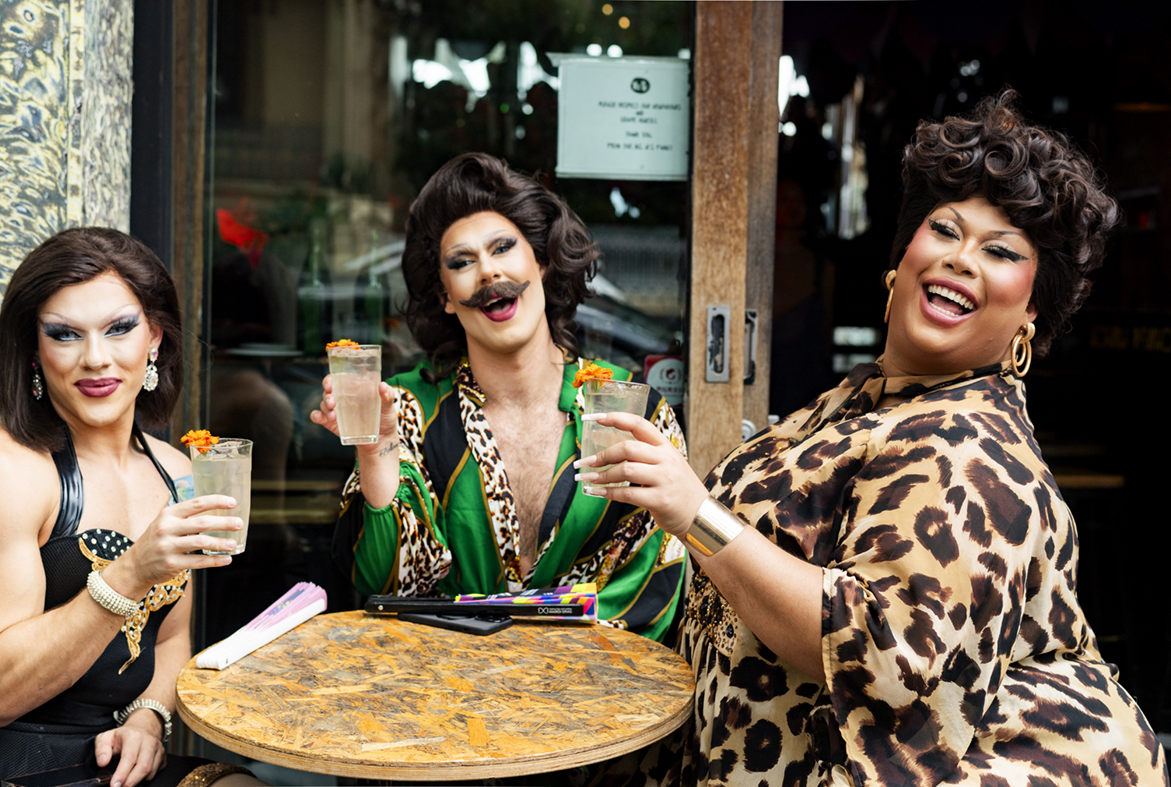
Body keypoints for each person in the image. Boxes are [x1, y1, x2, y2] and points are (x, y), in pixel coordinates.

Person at [578, 93, 1170, 785]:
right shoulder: (865, 399)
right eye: (944, 230)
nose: (961, 259)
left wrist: (694, 513)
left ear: (1031, 309)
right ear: (902, 257)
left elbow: (881, 654)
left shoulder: (971, 449)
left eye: (1000, 251)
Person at [312, 153, 686, 641]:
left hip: (596, 683)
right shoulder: (404, 409)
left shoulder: (632, 410)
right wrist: (376, 449)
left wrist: (529, 656)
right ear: (445, 296)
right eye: (462, 262)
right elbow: (385, 584)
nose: (487, 271)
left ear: (542, 260)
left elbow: (655, 580)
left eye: (503, 247)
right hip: (440, 679)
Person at [0, 229, 258, 787]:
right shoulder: (9, 469)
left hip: (120, 762)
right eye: (65, 334)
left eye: (119, 328)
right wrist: (132, 572)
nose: (96, 358)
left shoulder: (178, 471)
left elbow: (171, 639)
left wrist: (148, 718)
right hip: (18, 761)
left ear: (154, 337)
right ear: (34, 349)